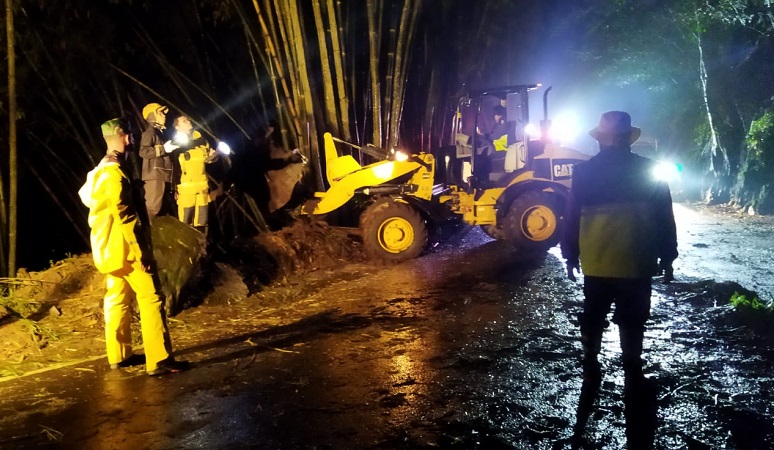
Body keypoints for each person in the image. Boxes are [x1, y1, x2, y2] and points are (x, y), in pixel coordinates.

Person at [562, 111, 676, 441]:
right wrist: (668, 256)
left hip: (596, 262)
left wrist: (570, 254)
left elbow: (571, 217)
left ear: (600, 138)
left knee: (594, 314)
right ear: (628, 138)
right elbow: (664, 216)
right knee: (633, 318)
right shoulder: (648, 170)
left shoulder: (583, 172)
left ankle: (591, 359)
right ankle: (632, 365)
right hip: (637, 261)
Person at [78, 118, 190, 376]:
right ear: (115, 138)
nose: (130, 141)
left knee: (117, 298)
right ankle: (159, 359)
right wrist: (142, 253)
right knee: (151, 297)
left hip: (107, 249)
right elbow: (126, 217)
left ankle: (119, 355)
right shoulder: (115, 176)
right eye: (126, 136)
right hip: (127, 250)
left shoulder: (98, 172)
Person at [172, 115, 219, 232]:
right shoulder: (176, 143)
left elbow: (207, 159)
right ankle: (186, 250)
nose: (188, 121)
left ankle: (202, 249)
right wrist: (173, 188)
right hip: (186, 191)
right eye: (184, 121)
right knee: (185, 224)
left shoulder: (201, 140)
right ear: (177, 127)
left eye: (188, 119)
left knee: (202, 223)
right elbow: (172, 165)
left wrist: (214, 157)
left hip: (202, 189)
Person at [139, 103, 179, 221]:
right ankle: (148, 237)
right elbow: (143, 151)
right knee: (153, 209)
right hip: (155, 177)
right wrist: (164, 149)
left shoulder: (160, 133)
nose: (164, 116)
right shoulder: (150, 132)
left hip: (163, 176)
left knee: (162, 211)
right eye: (160, 112)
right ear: (153, 115)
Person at [473, 104, 507, 186]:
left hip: (500, 149)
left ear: (500, 116)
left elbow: (494, 137)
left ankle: (482, 180)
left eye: (496, 115)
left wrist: (482, 134)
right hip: (496, 147)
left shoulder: (503, 126)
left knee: (482, 156)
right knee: (483, 152)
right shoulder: (500, 125)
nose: (495, 117)